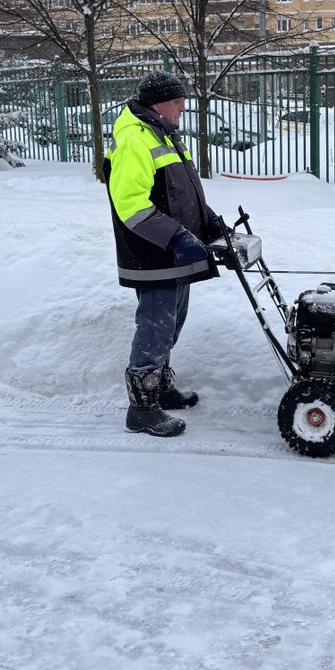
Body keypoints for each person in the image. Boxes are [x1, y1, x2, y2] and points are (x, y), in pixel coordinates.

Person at [104, 71, 225, 438]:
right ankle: (142, 408)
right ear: (158, 103)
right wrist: (176, 237)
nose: (183, 109)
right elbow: (131, 206)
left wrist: (211, 223)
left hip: (176, 250)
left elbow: (183, 191)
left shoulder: (162, 134)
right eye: (177, 102)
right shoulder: (133, 142)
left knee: (172, 323)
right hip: (153, 254)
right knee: (155, 328)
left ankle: (161, 387)